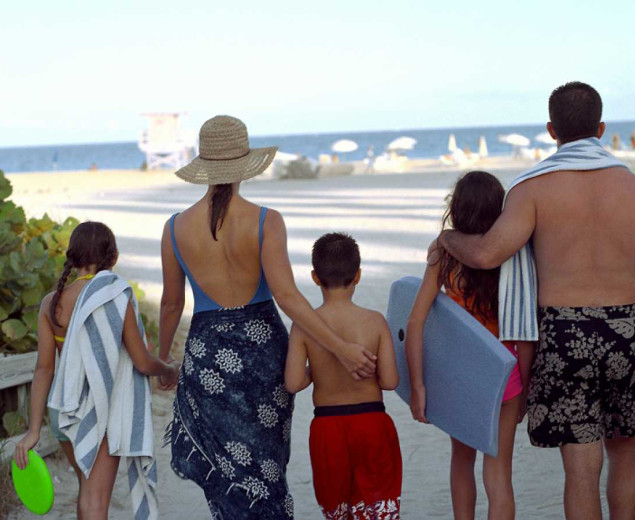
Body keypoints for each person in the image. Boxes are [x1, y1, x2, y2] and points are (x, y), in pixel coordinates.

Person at [439, 82, 635, 520]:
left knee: (581, 469)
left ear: (551, 130)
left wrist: (447, 237)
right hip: (626, 330)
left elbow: (488, 253)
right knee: (625, 450)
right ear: (601, 128)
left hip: (564, 336)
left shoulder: (531, 191)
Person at [158, 115, 377, 519]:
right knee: (268, 472)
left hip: (207, 361)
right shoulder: (265, 220)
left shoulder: (174, 229)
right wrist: (341, 347)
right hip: (264, 359)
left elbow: (172, 305)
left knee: (227, 477)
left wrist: (163, 362)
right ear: (245, 164)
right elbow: (288, 297)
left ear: (205, 165)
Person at [14, 222, 179, 520]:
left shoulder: (51, 303)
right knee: (95, 500)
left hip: (62, 409)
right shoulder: (115, 296)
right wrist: (168, 368)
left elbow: (43, 369)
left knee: (87, 491)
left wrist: (34, 430)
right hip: (99, 408)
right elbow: (142, 362)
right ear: (113, 257)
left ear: (72, 257)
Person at [407, 171, 534, 520]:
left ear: (456, 210)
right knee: (499, 472)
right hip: (504, 373)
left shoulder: (443, 256)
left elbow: (415, 322)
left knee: (461, 463)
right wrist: (525, 388)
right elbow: (524, 333)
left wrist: (418, 385)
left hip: (460, 373)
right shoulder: (513, 256)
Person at [285, 232, 402, 520]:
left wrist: (317, 369)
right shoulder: (375, 322)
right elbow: (389, 381)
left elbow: (293, 382)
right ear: (358, 275)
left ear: (315, 277)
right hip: (372, 424)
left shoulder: (303, 327)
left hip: (328, 429)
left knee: (338, 510)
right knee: (377, 509)